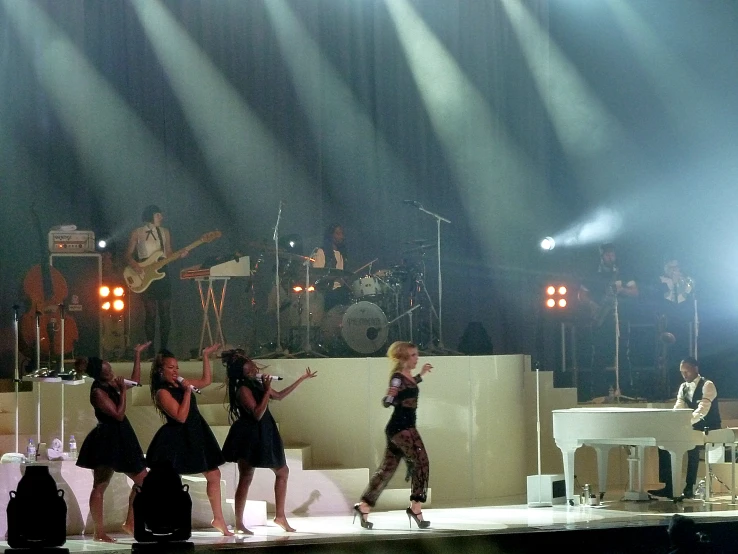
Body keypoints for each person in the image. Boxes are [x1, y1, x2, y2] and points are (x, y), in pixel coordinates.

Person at [221, 350, 317, 534]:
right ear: (243, 372)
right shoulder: (243, 389)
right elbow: (257, 414)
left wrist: (302, 378)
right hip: (250, 434)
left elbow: (279, 396)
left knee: (282, 471)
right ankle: (239, 523)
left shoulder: (255, 384)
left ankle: (280, 516)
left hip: (265, 430)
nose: (254, 367)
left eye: (253, 364)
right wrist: (265, 390)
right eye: (250, 367)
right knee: (246, 477)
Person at [146, 343, 232, 536]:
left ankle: (218, 518)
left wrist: (206, 356)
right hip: (177, 438)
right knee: (163, 482)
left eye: (177, 367)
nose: (176, 371)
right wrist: (186, 391)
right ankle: (135, 519)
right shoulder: (162, 392)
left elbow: (206, 380)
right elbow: (181, 416)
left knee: (214, 474)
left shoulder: (180, 383)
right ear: (160, 370)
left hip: (195, 432)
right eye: (170, 368)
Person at [74, 342, 150, 542]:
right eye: (108, 371)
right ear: (100, 375)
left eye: (111, 369)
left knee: (143, 481)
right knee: (100, 485)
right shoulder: (98, 392)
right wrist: (123, 392)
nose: (112, 373)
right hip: (107, 439)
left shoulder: (110, 383)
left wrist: (137, 355)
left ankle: (130, 522)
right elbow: (117, 414)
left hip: (123, 436)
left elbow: (135, 381)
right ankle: (98, 532)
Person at [354, 341, 433, 530]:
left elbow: (410, 387)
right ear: (404, 357)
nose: (417, 358)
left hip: (399, 429)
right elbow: (390, 397)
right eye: (413, 355)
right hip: (402, 428)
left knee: (387, 470)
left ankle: (364, 506)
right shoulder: (397, 377)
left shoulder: (406, 376)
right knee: (421, 462)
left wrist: (421, 375)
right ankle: (415, 507)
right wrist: (390, 398)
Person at [648, 357, 721, 500]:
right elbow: (678, 407)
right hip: (691, 427)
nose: (684, 375)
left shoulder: (708, 385)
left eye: (686, 371)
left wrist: (686, 423)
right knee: (664, 444)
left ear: (695, 369)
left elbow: (702, 410)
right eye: (682, 372)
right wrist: (674, 422)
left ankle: (689, 487)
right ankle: (669, 485)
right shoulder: (683, 387)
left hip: (709, 427)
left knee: (692, 446)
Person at [578, 243, 638, 398]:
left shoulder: (622, 272)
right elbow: (581, 295)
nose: (611, 257)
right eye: (607, 255)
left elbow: (635, 292)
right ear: (602, 256)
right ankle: (598, 390)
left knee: (623, 353)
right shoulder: (592, 273)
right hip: (600, 318)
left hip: (620, 318)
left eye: (613, 254)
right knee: (599, 354)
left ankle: (625, 389)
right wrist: (592, 305)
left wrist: (622, 289)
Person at [126, 205, 187, 356]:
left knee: (165, 313)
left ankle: (164, 349)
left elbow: (168, 253)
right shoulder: (137, 232)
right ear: (151, 215)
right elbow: (127, 254)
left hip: (161, 273)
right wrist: (135, 265)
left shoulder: (165, 232)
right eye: (158, 215)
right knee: (150, 314)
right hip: (145, 272)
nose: (161, 217)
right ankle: (150, 349)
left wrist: (180, 255)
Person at [312, 223, 351, 310]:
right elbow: (317, 276)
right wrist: (335, 276)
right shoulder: (321, 252)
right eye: (338, 233)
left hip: (340, 291)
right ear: (330, 236)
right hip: (327, 292)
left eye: (342, 234)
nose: (342, 236)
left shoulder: (342, 255)